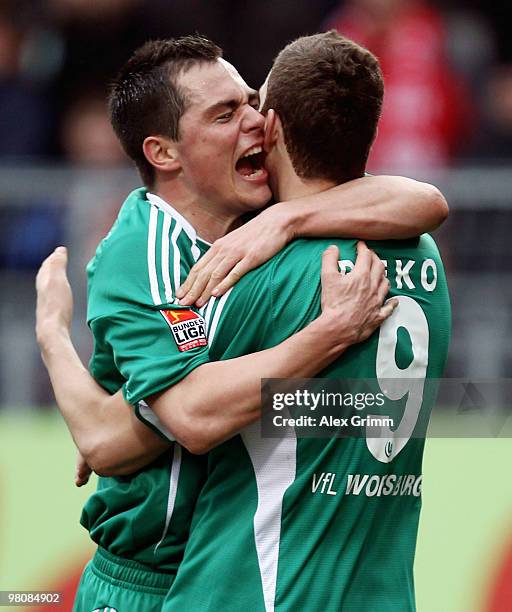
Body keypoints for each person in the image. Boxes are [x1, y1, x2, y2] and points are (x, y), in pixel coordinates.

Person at [36, 35, 448, 611]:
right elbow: (148, 428)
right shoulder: (145, 254)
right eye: (226, 115)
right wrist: (55, 336)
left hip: (221, 562)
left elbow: (426, 201)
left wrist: (288, 216)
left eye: (253, 102)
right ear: (164, 153)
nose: (257, 123)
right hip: (149, 578)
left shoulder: (261, 222)